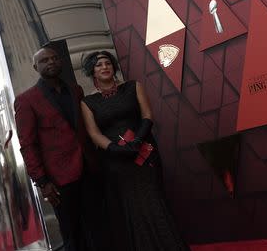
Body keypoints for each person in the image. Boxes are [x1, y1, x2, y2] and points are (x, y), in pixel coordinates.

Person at [80, 50, 189, 250]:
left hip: (144, 153)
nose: (104, 67)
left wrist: (138, 141)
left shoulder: (133, 86)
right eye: (98, 65)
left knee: (154, 201)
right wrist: (115, 149)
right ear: (92, 72)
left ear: (113, 67)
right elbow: (94, 134)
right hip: (116, 162)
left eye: (107, 63)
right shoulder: (87, 102)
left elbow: (147, 115)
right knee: (133, 208)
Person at [15, 46, 89, 251]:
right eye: (44, 60)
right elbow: (27, 145)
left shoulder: (75, 90)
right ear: (35, 66)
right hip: (59, 178)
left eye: (54, 58)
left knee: (96, 225)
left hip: (89, 168)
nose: (51, 62)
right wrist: (42, 181)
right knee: (72, 233)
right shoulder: (26, 100)